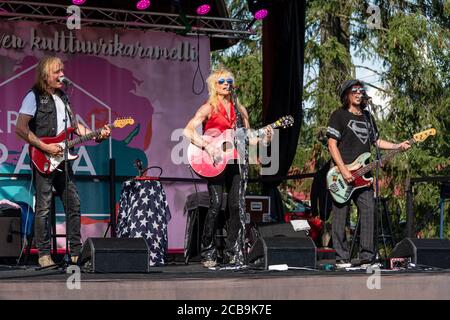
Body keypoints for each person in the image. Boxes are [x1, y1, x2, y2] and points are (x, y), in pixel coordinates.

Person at [15, 56, 111, 268]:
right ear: (45, 75)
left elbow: (75, 127)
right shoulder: (34, 97)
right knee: (44, 207)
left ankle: (76, 253)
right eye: (57, 72)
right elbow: (20, 128)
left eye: (62, 71)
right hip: (44, 158)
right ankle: (43, 255)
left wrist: (97, 134)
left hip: (63, 161)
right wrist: (45, 147)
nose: (62, 75)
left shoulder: (64, 98)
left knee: (73, 203)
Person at [183, 68, 272, 268]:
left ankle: (232, 252)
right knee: (215, 205)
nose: (226, 83)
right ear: (214, 85)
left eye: (229, 80)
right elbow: (188, 130)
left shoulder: (240, 111)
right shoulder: (208, 108)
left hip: (235, 160)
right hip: (213, 161)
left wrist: (265, 137)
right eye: (221, 81)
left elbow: (249, 139)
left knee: (236, 206)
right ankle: (208, 251)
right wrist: (208, 146)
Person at [326, 79, 411, 268]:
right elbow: (332, 145)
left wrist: (398, 146)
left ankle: (366, 257)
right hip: (342, 175)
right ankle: (341, 257)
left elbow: (377, 142)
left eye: (361, 90)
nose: (358, 93)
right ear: (346, 94)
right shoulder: (339, 115)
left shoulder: (367, 117)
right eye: (354, 90)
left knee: (369, 212)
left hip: (363, 177)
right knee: (340, 217)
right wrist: (344, 169)